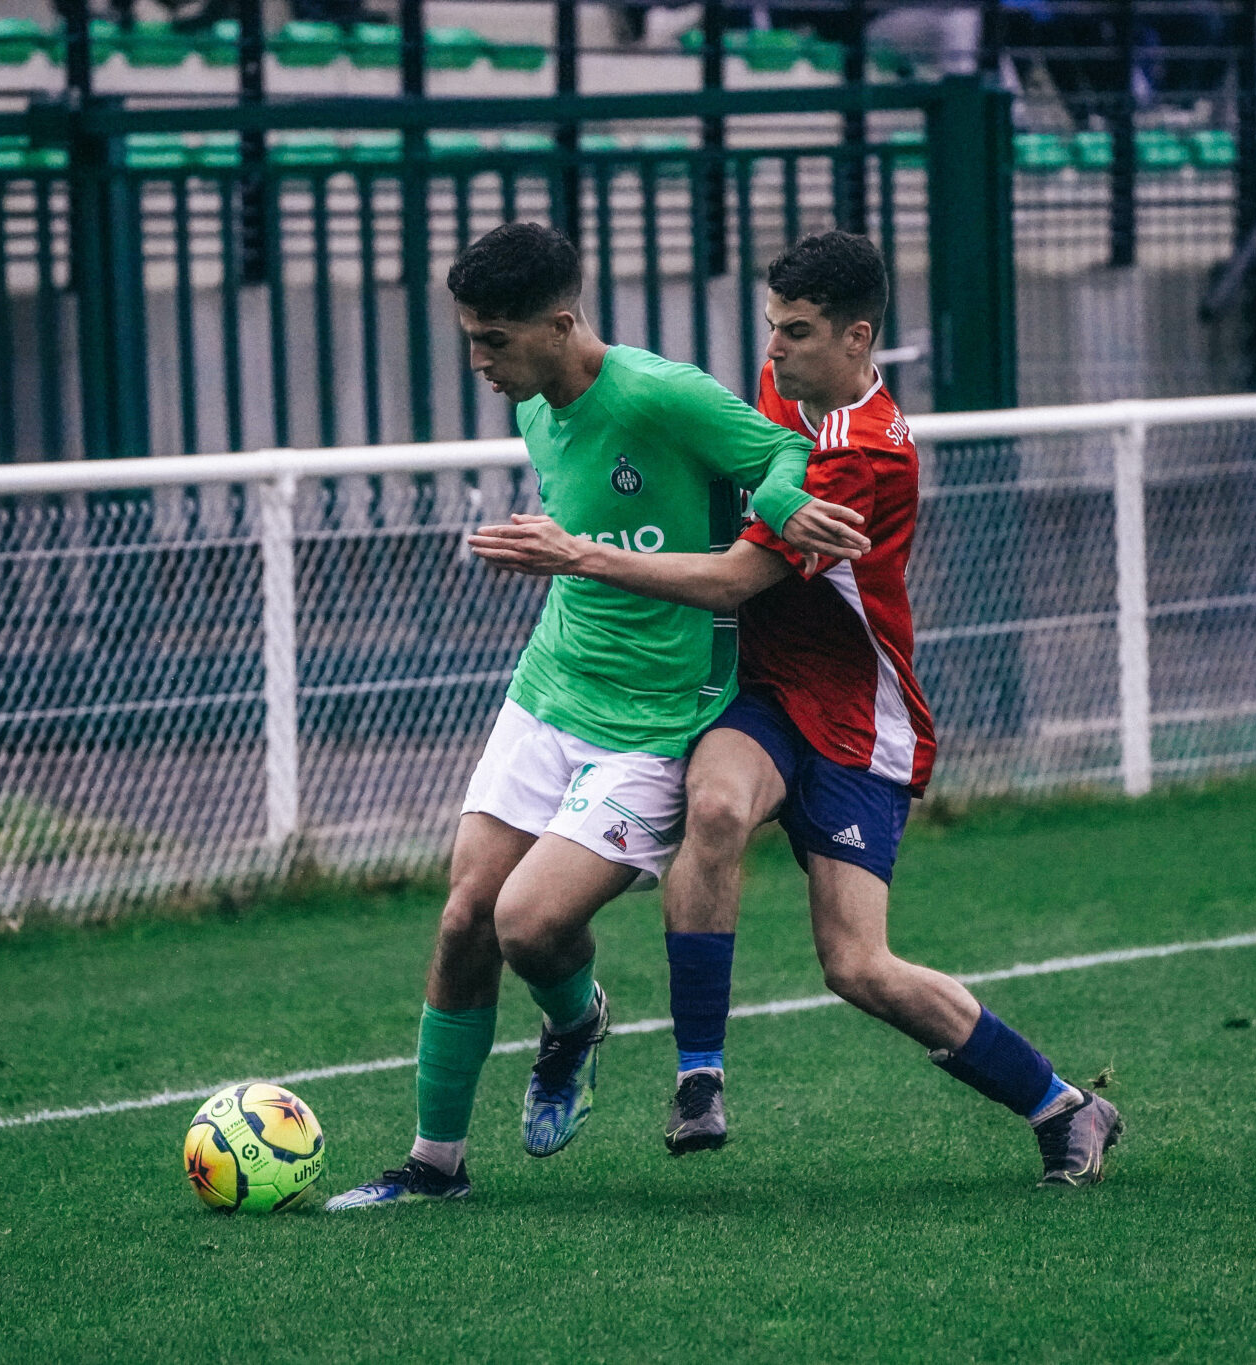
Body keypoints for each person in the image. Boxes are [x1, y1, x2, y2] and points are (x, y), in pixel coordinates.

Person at [468, 231, 1124, 1188]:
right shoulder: (784, 397)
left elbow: (737, 580)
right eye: (772, 326)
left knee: (857, 965)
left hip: (860, 717)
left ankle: (1064, 1104)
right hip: (770, 695)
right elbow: (746, 453)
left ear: (859, 340)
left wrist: (584, 554)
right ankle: (699, 1076)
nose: (774, 350)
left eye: (799, 332)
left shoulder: (871, 459)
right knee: (718, 801)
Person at [324, 222, 872, 1210]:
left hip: (656, 719)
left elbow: (783, 450)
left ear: (561, 324)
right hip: (549, 690)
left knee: (529, 925)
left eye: (493, 340)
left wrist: (782, 507)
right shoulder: (535, 407)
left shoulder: (655, 395)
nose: (478, 361)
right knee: (463, 920)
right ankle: (432, 1166)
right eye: (470, 338)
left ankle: (573, 1023)